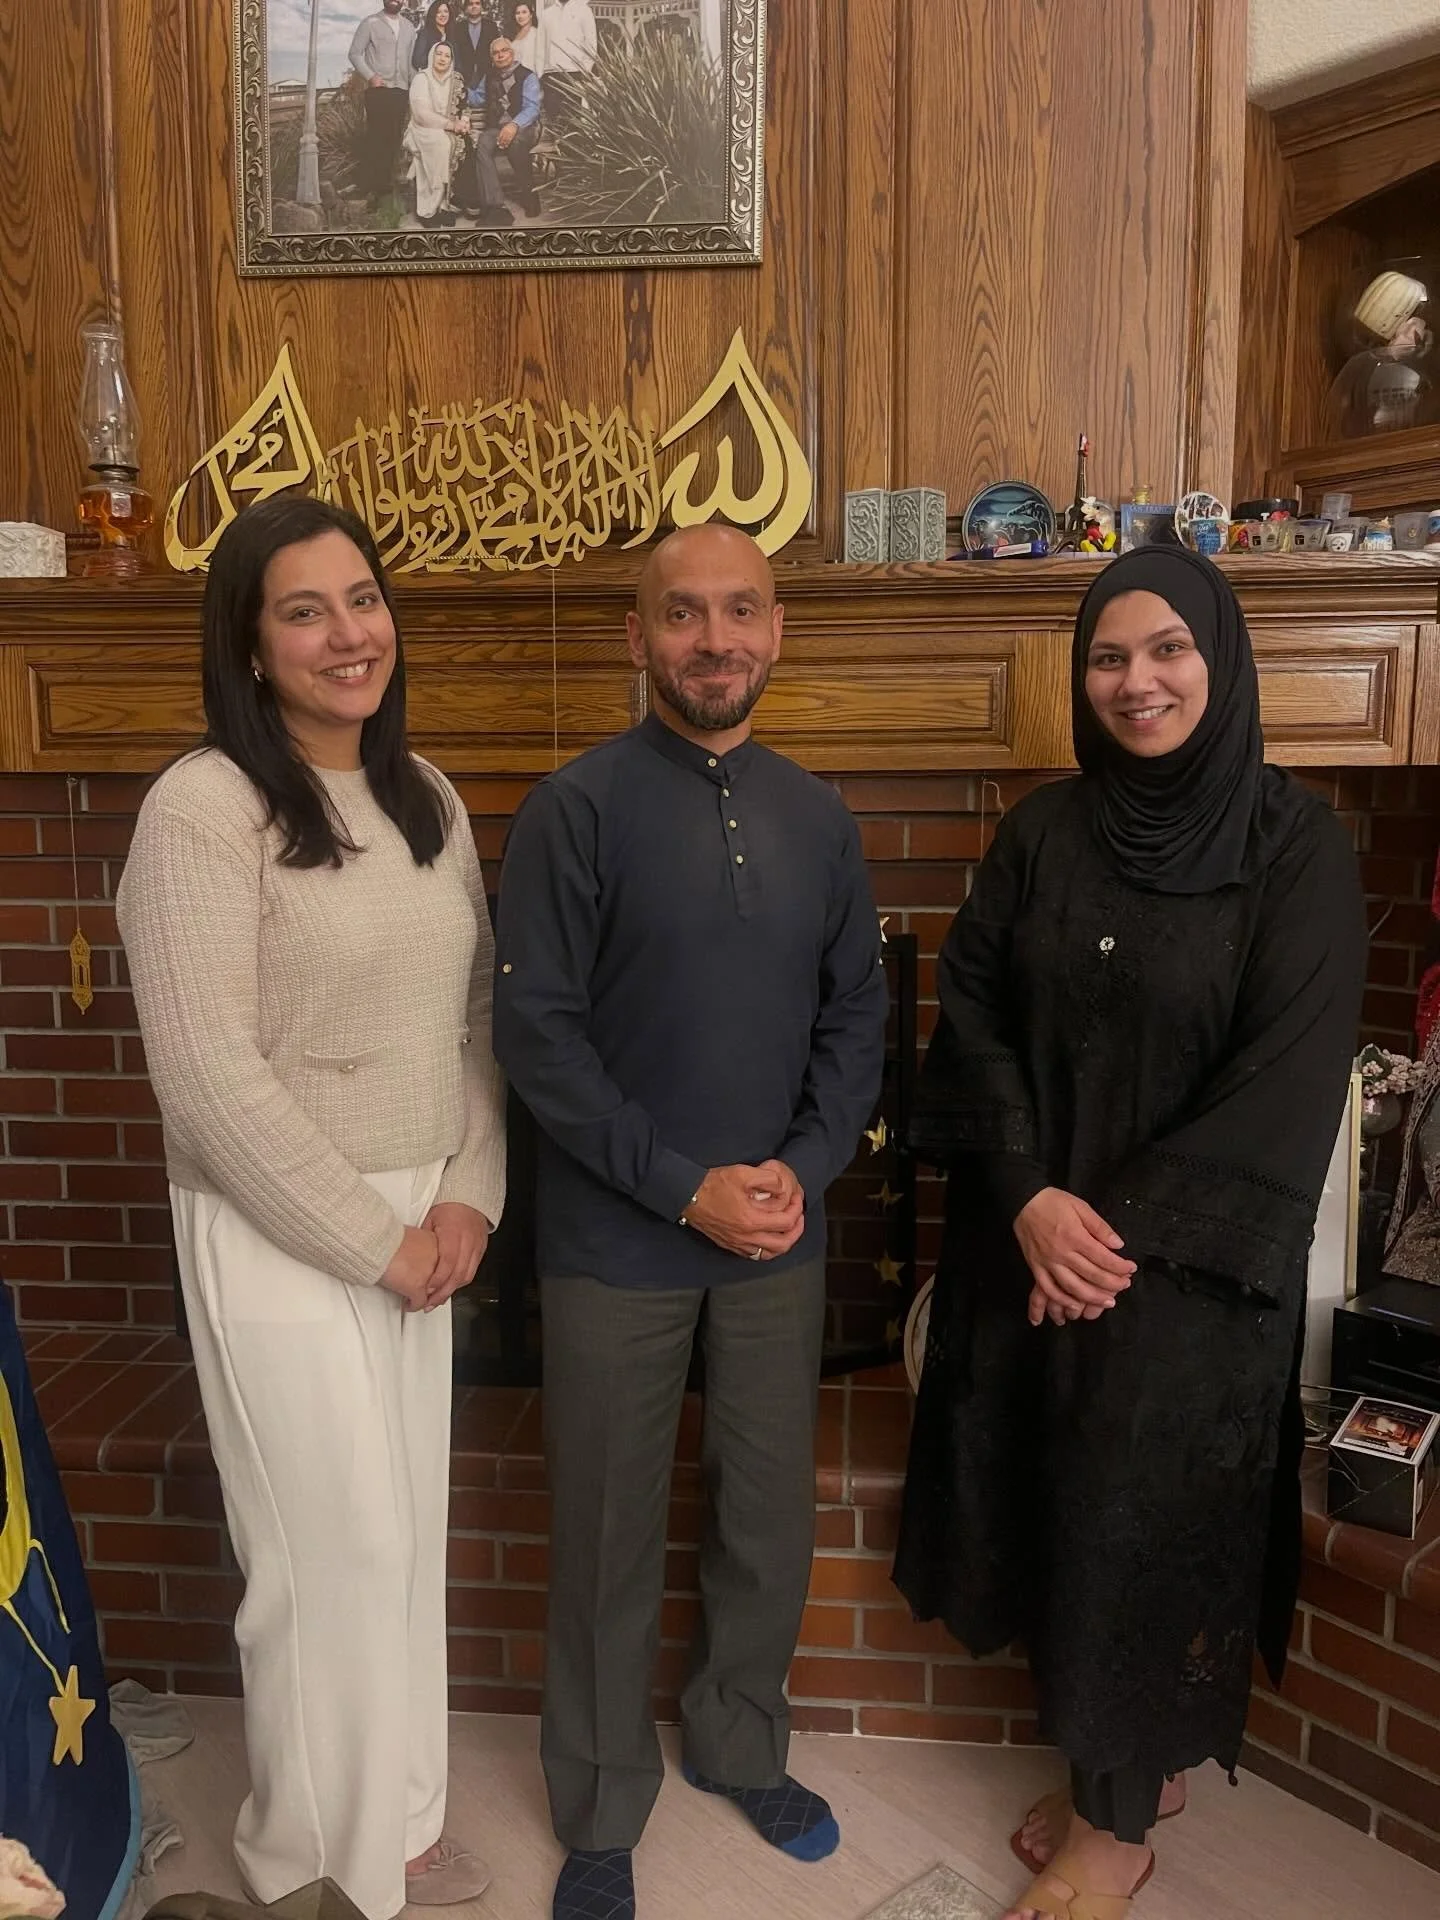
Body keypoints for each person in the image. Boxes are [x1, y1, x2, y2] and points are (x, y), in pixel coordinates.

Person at [893, 546, 1366, 1920]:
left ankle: (1117, 1831)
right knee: (1051, 1510)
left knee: (1137, 1524)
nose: (1136, 681)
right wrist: (1032, 1199)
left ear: (1220, 662)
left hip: (1187, 1277)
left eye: (1167, 651)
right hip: (1034, 1244)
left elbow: (1285, 1075)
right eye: (1108, 658)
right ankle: (1119, 1769)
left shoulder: (1297, 849)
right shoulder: (1045, 833)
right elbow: (970, 1015)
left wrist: (1113, 1240)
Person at [116, 497, 506, 1920]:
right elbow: (206, 1080)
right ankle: (305, 1860)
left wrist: (469, 1197)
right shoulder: (202, 808)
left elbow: (473, 1021)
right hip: (277, 1226)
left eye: (363, 599)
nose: (350, 634)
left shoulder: (431, 801)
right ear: (250, 640)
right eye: (305, 609)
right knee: (323, 1553)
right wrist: (377, 1236)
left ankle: (395, 1831)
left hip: (426, 1218)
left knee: (401, 1539)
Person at [492, 525, 888, 1920]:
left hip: (780, 1232)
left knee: (765, 1517)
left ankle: (738, 1742)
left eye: (737, 611)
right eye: (681, 614)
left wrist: (803, 1166)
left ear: (777, 629)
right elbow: (536, 1040)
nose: (712, 638)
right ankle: (601, 1806)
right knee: (603, 1532)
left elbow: (857, 1019)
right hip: (616, 1241)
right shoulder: (575, 809)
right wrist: (680, 1183)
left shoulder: (819, 817)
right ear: (636, 638)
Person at [349, 0, 418, 205]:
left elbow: (411, 61)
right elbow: (354, 53)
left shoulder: (409, 27)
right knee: (377, 138)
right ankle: (372, 189)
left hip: (401, 90)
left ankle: (386, 187)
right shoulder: (370, 22)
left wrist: (416, 83)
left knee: (394, 138)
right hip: (379, 90)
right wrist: (370, 76)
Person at [472, 35, 542, 217]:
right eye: (495, 53)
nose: (500, 55)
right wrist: (459, 90)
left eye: (504, 51)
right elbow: (478, 97)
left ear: (512, 53)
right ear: (492, 57)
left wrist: (513, 125)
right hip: (496, 128)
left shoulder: (527, 76)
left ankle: (530, 197)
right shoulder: (488, 76)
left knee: (516, 143)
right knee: (482, 145)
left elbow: (532, 108)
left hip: (525, 128)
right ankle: (494, 202)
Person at [405, 42, 469, 227]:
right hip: (423, 129)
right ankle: (427, 210)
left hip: (447, 128)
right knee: (441, 144)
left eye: (447, 55)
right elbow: (421, 115)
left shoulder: (456, 79)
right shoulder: (421, 79)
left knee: (456, 144)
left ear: (451, 60)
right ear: (431, 56)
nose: (442, 58)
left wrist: (464, 121)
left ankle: (444, 206)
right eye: (438, 54)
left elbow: (465, 106)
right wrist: (451, 125)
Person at [536, 0, 595, 124]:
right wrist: (540, 73)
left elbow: (591, 43)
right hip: (551, 74)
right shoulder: (547, 13)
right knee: (553, 118)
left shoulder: (583, 10)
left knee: (572, 120)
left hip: (574, 73)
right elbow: (540, 45)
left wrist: (585, 70)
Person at [452, 0, 501, 93]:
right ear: (466, 8)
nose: (474, 6)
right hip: (463, 75)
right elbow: (455, 52)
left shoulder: (491, 26)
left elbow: (496, 50)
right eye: (470, 4)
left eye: (477, 3)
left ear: (482, 7)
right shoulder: (458, 27)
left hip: (487, 75)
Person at [411, 0, 456, 71]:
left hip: (449, 77)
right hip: (430, 77)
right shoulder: (424, 34)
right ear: (433, 14)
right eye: (438, 12)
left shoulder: (453, 34)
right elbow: (417, 60)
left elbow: (458, 59)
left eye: (446, 11)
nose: (443, 15)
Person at [509, 2, 543, 72]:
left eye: (524, 12)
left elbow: (540, 60)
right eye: (517, 13)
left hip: (530, 75)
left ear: (531, 15)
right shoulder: (514, 36)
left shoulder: (535, 34)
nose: (520, 16)